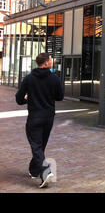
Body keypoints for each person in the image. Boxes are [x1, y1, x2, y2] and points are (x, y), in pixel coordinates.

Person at [15, 53, 64, 188]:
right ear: (46, 62)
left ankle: (44, 171)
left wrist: (27, 98)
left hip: (34, 117)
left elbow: (19, 99)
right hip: (48, 117)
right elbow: (60, 97)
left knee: (37, 146)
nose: (52, 61)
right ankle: (35, 170)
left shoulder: (29, 78)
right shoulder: (54, 78)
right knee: (40, 145)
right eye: (51, 59)